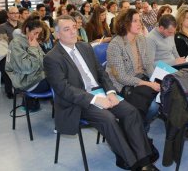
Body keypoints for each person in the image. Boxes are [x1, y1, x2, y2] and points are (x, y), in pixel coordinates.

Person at [44, 15, 159, 171]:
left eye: (74, 27)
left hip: (102, 94)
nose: (72, 32)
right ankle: (133, 163)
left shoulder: (85, 47)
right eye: (66, 29)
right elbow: (64, 89)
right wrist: (95, 100)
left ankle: (144, 160)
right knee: (108, 119)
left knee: (131, 112)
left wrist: (111, 92)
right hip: (79, 101)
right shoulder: (52, 58)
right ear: (57, 35)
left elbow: (101, 73)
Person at [106, 9, 159, 131]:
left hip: (141, 80)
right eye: (135, 21)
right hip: (123, 86)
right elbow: (121, 77)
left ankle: (138, 130)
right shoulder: (115, 45)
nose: (139, 24)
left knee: (165, 95)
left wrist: (156, 80)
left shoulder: (141, 39)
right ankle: (139, 131)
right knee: (153, 106)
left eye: (139, 21)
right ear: (125, 23)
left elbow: (148, 64)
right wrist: (149, 84)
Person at [6, 15, 50, 111]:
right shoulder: (16, 44)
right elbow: (27, 68)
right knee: (60, 82)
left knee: (62, 77)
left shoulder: (31, 40)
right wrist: (33, 48)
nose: (37, 36)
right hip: (25, 82)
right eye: (35, 33)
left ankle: (66, 113)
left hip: (36, 78)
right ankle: (66, 115)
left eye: (39, 33)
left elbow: (43, 62)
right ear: (27, 30)